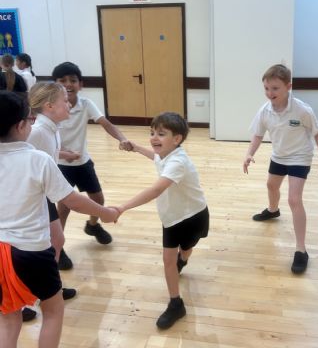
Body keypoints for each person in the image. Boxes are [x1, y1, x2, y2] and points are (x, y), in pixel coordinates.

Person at [0, 90, 119, 348]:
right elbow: (72, 200)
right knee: (53, 311)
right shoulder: (37, 159)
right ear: (20, 125)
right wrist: (107, 213)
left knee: (8, 319)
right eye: (29, 119)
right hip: (30, 252)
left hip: (1, 252)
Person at [117, 112, 209, 329]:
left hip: (193, 217)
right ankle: (176, 304)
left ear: (177, 139)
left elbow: (156, 190)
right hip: (171, 218)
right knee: (168, 260)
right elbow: (156, 157)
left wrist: (122, 207)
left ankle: (183, 259)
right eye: (152, 133)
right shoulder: (166, 153)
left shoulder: (178, 161)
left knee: (187, 249)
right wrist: (137, 148)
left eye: (160, 134)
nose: (154, 138)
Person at [243, 64, 318, 274]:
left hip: (300, 157)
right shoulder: (265, 110)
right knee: (271, 186)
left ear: (288, 87)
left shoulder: (302, 110)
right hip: (279, 156)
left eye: (275, 88)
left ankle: (301, 250)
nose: (269, 93)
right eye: (266, 88)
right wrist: (249, 154)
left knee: (294, 199)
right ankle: (273, 210)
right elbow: (258, 135)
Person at [52, 61, 131, 270]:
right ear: (55, 85)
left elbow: (106, 123)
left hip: (83, 162)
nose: (68, 84)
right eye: (62, 81)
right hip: (61, 165)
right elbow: (45, 141)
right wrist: (64, 153)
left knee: (98, 200)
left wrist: (122, 138)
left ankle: (92, 226)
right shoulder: (50, 108)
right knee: (64, 207)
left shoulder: (86, 104)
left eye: (73, 80)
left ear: (81, 84)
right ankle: (58, 248)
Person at [22, 82, 76, 322]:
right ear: (49, 105)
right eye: (64, 100)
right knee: (27, 249)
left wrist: (65, 154)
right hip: (30, 199)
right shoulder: (37, 131)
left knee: (57, 240)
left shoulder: (51, 129)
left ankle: (50, 290)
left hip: (43, 195)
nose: (69, 103)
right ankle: (22, 301)